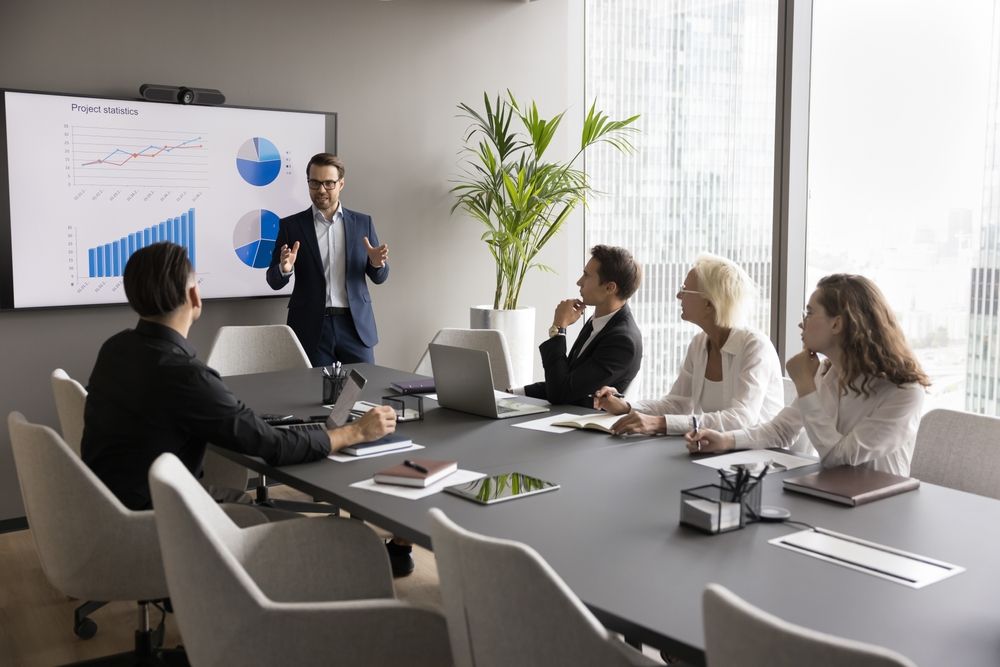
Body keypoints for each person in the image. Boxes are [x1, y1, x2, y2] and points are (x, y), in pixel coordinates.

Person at [82, 241, 397, 513]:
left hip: (114, 508)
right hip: (164, 518)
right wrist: (354, 432)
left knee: (249, 503)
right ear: (195, 296)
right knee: (315, 532)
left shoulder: (115, 348)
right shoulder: (185, 375)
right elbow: (271, 446)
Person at [687, 274, 931, 476]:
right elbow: (781, 430)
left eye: (810, 313)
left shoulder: (903, 392)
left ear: (837, 324)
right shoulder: (828, 372)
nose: (801, 324)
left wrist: (805, 385)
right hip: (832, 494)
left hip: (880, 508)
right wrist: (726, 440)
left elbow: (839, 458)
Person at [594, 253, 784, 436]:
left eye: (684, 289)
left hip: (761, 458)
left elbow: (741, 419)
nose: (678, 295)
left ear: (710, 303)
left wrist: (659, 424)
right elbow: (678, 404)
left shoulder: (755, 346)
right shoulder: (700, 343)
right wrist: (627, 406)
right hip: (718, 451)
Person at [266, 153, 389, 366]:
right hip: (311, 327)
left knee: (365, 391)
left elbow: (379, 277)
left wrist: (377, 264)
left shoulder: (362, 223)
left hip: (355, 326)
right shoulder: (291, 226)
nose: (321, 190)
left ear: (341, 184)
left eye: (329, 183)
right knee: (314, 395)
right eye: (314, 183)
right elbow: (273, 281)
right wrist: (284, 269)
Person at [513, 245, 643, 407]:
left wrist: (559, 328)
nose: (579, 282)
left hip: (583, 426)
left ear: (610, 287)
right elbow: (563, 380)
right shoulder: (599, 322)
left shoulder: (622, 340)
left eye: (586, 276)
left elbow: (560, 392)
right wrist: (512, 393)